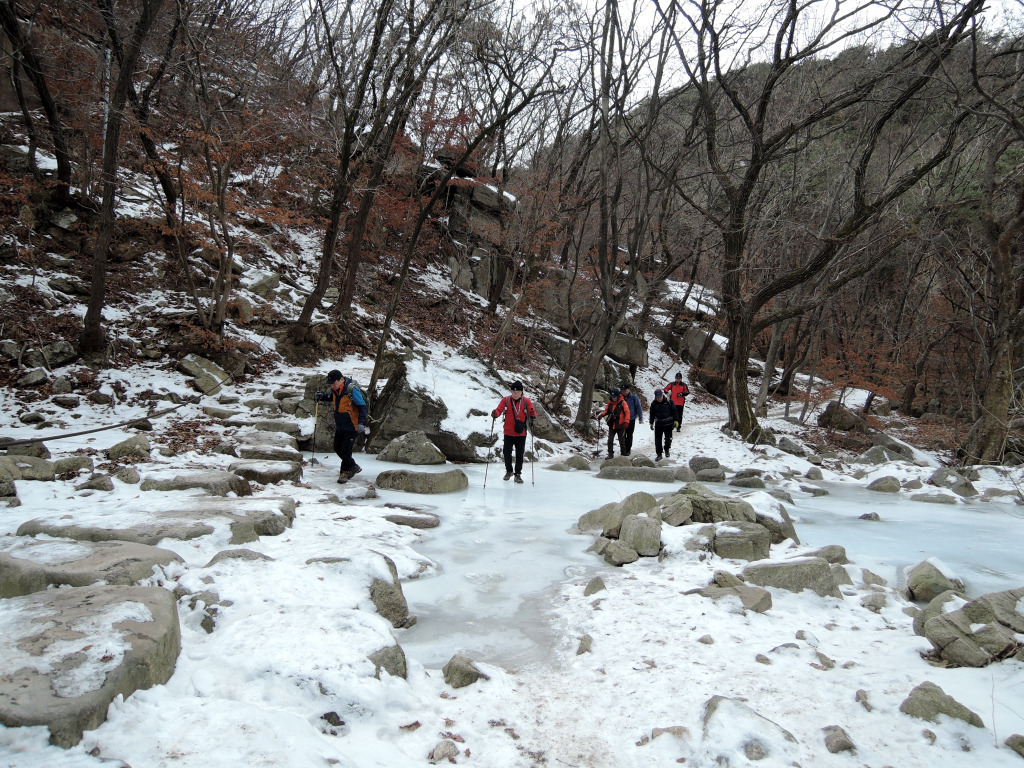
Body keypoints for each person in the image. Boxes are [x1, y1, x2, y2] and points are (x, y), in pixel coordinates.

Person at [314, 369, 368, 483]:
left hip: (352, 425)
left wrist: (361, 423)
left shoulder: (351, 390)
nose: (332, 386)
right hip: (341, 425)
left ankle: (344, 472)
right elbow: (330, 397)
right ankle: (353, 466)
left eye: (334, 383)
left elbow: (362, 406)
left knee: (345, 450)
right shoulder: (335, 390)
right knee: (337, 447)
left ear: (342, 380)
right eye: (331, 384)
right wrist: (321, 396)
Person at [491, 380, 537, 484]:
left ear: (521, 392)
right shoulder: (506, 400)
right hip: (508, 432)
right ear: (511, 391)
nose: (515, 394)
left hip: (521, 433)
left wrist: (532, 414)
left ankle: (517, 474)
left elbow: (533, 412)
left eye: (517, 392)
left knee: (519, 454)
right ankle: (509, 471)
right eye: (513, 392)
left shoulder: (526, 401)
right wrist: (495, 414)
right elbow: (499, 410)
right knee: (506, 452)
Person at [597, 388, 630, 459]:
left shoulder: (623, 403)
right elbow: (606, 411)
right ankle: (610, 454)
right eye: (612, 397)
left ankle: (623, 453)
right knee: (610, 439)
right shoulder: (610, 403)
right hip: (612, 424)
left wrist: (626, 422)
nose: (613, 398)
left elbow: (627, 413)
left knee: (622, 440)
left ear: (618, 396)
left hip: (620, 424)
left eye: (614, 397)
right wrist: (602, 415)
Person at [649, 388, 675, 461]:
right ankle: (659, 454)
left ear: (662, 395)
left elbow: (675, 411)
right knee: (657, 440)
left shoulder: (669, 402)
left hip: (668, 423)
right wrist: (651, 422)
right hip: (658, 424)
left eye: (660, 397)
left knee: (668, 439)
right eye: (657, 397)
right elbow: (652, 414)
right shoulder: (654, 403)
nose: (659, 399)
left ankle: (667, 449)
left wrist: (676, 420)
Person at [620, 382, 643, 457]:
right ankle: (623, 449)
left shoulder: (634, 397)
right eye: (623, 390)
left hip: (631, 419)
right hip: (622, 419)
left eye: (625, 390)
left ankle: (628, 449)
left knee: (629, 435)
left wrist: (640, 417)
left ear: (629, 390)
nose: (624, 392)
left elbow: (638, 407)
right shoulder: (620, 398)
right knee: (622, 435)